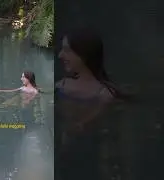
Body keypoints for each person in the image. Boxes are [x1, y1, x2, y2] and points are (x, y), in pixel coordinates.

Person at [56, 28, 126, 180]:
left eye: (67, 50)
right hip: (65, 155)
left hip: (88, 156)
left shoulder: (105, 94)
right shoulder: (60, 86)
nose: (60, 55)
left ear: (83, 54)